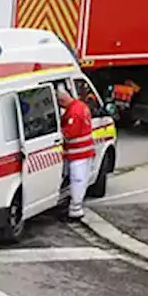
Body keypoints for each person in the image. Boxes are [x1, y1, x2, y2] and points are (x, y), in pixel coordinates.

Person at [58, 86, 95, 221]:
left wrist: (59, 131)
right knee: (80, 180)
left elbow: (69, 133)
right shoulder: (81, 106)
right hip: (84, 152)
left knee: (77, 180)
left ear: (62, 100)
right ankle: (74, 206)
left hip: (77, 153)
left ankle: (75, 210)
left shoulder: (73, 112)